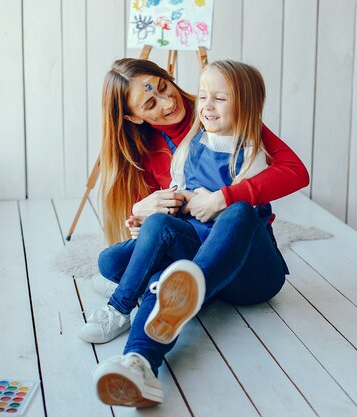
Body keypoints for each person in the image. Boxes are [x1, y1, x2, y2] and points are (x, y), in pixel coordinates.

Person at [88, 58, 309, 408]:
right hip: (191, 249)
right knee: (115, 261)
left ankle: (183, 290)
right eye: (150, 103)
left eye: (163, 87)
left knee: (232, 217)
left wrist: (226, 196)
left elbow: (294, 171)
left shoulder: (231, 119)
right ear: (133, 117)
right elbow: (157, 218)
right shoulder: (149, 149)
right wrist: (141, 211)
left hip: (246, 260)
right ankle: (140, 363)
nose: (167, 102)